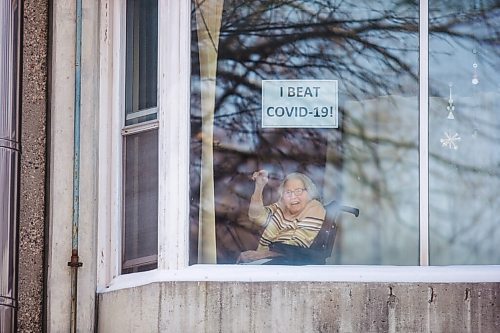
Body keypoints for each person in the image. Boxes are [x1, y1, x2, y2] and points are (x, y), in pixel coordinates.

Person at [237, 170, 326, 264]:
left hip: (287, 265)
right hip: (270, 261)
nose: (293, 196)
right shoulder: (282, 207)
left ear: (309, 192)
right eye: (288, 192)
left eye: (298, 191)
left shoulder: (314, 207)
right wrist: (259, 187)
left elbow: (296, 244)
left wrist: (262, 255)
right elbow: (256, 216)